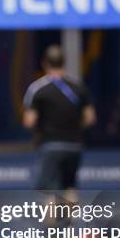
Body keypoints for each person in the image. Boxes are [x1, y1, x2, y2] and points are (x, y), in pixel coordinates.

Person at [22, 45, 95, 190]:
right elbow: (90, 118)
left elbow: (29, 121)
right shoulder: (78, 87)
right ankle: (71, 214)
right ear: (64, 62)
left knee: (49, 191)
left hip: (50, 145)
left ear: (44, 63)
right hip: (75, 145)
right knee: (69, 187)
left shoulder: (37, 89)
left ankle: (53, 214)